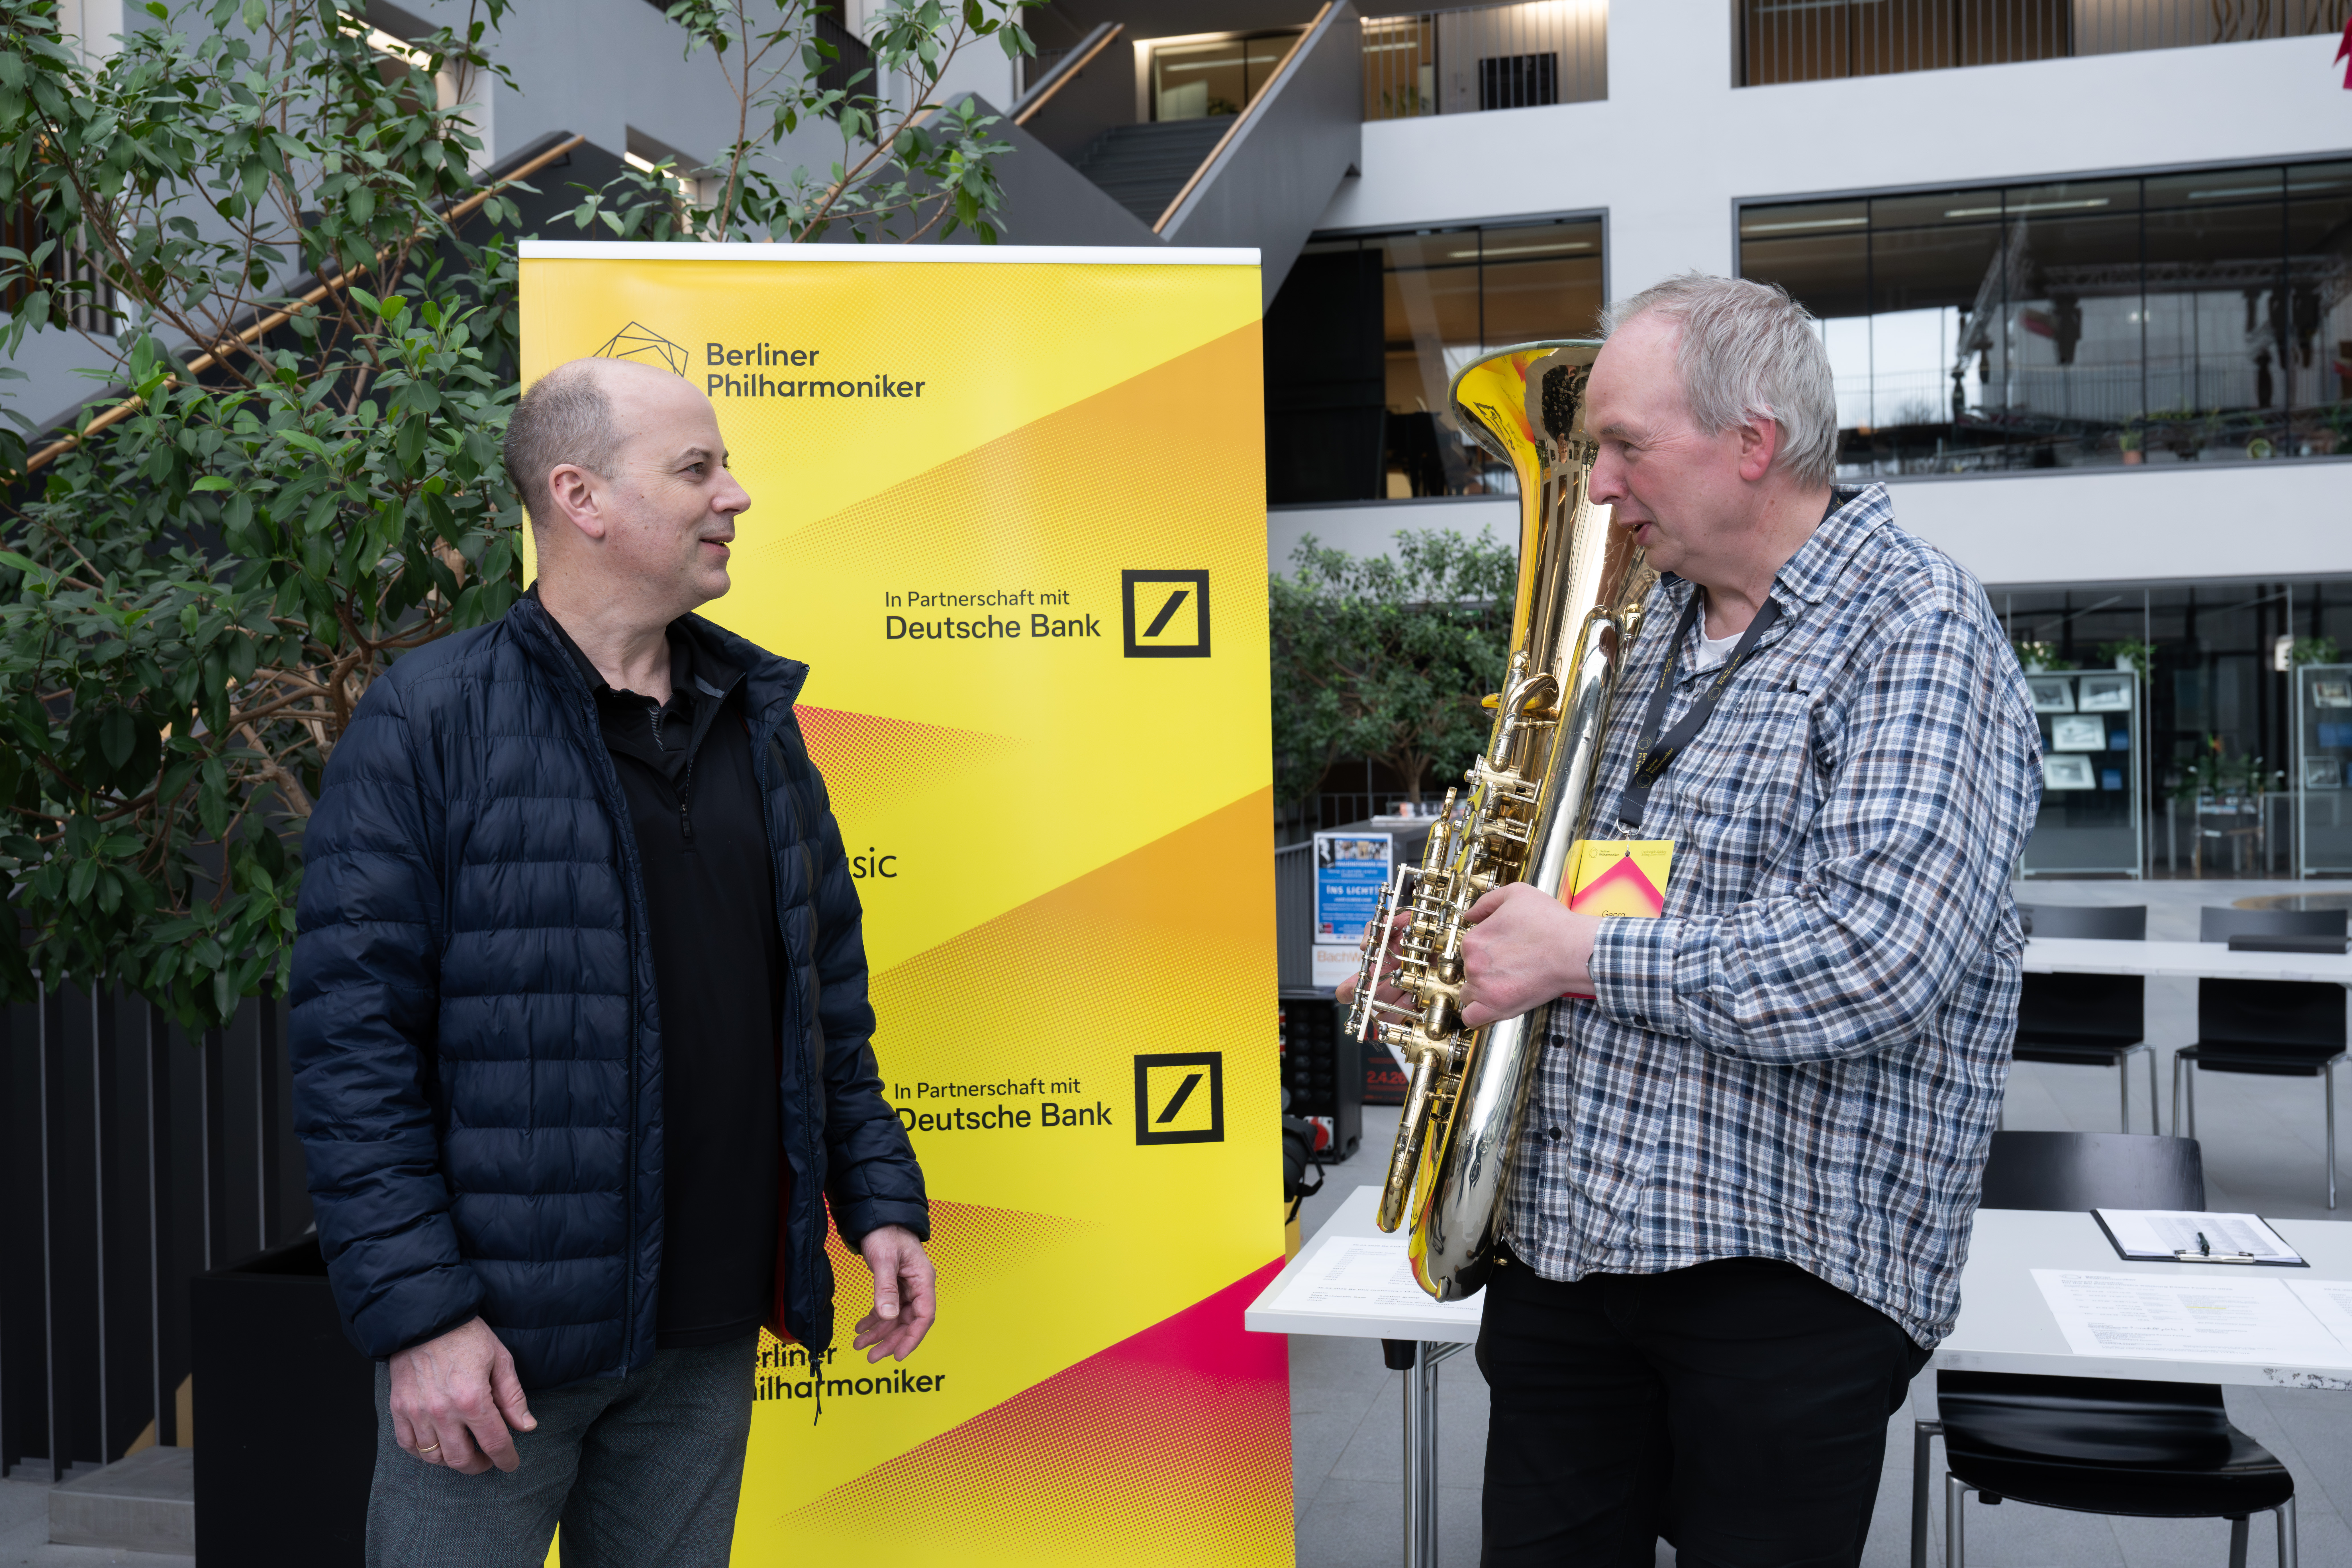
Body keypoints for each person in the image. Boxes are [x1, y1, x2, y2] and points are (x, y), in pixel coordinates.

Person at [1372, 275, 2041, 1564]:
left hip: (1785, 1280)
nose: (1600, 483)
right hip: (1571, 1251)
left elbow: (1874, 953)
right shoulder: (1641, 628)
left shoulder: (1918, 630)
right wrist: (1474, 959)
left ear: (1753, 443)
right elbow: (1582, 890)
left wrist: (1578, 953)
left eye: (1625, 444)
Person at [289, 356, 935, 1568]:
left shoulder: (758, 720)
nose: (732, 495)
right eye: (697, 468)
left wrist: (881, 1198)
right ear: (581, 498)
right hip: (498, 1353)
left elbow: (823, 1011)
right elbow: (351, 1054)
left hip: (704, 1329)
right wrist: (425, 1318)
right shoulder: (428, 721)